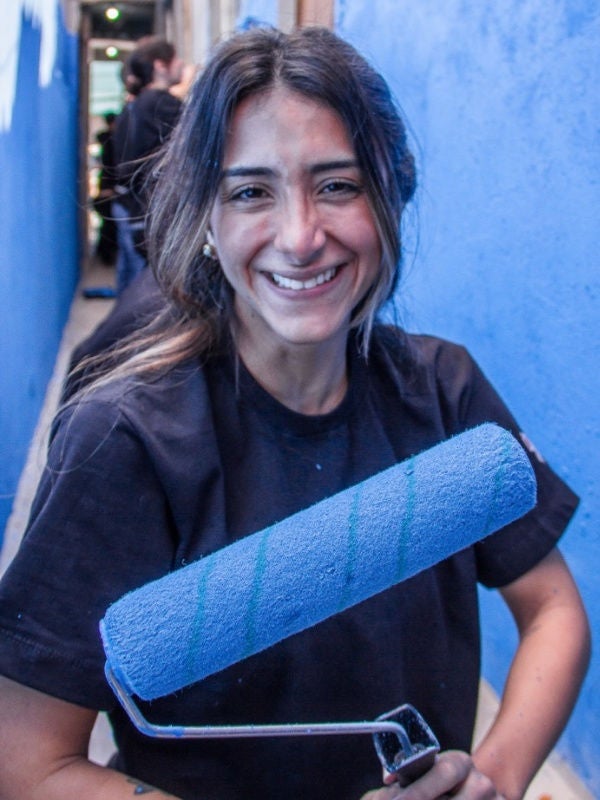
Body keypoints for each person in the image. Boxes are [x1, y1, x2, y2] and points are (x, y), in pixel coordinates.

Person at [0, 26, 590, 800]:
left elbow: (552, 609)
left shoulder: (444, 392)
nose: (301, 236)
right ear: (205, 220)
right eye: (251, 192)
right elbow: (26, 763)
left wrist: (496, 778)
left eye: (338, 185)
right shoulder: (127, 442)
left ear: (388, 199)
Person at [111, 36, 185, 294]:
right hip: (146, 212)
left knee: (131, 290)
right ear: (160, 66)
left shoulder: (136, 105)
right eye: (176, 60)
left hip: (131, 208)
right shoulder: (161, 104)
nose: (183, 65)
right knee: (146, 297)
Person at [93, 112, 119, 265]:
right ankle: (105, 257)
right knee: (109, 226)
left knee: (108, 225)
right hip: (108, 188)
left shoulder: (109, 141)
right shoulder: (112, 142)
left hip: (107, 187)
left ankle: (104, 255)